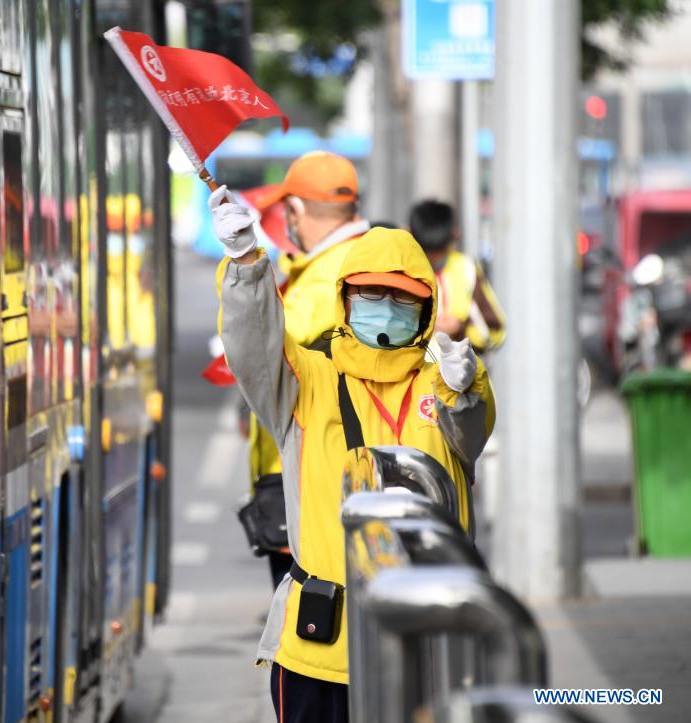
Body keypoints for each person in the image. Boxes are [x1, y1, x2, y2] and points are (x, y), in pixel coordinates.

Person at [211, 192, 496, 723]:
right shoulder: (308, 379)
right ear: (346, 299)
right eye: (370, 293)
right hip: (320, 651)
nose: (384, 307)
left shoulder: (446, 382)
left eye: (401, 298)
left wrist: (471, 387)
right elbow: (254, 347)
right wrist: (248, 264)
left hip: (427, 645)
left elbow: (473, 435)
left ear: (427, 307)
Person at [246, 151, 370, 589]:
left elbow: (263, 365)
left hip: (308, 486)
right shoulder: (364, 260)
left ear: (296, 209)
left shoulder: (319, 285)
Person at [409, 199, 506, 353]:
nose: (432, 259)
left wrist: (460, 329)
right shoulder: (405, 270)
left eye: (438, 251)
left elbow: (496, 331)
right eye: (427, 251)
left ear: (454, 236)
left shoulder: (466, 268)